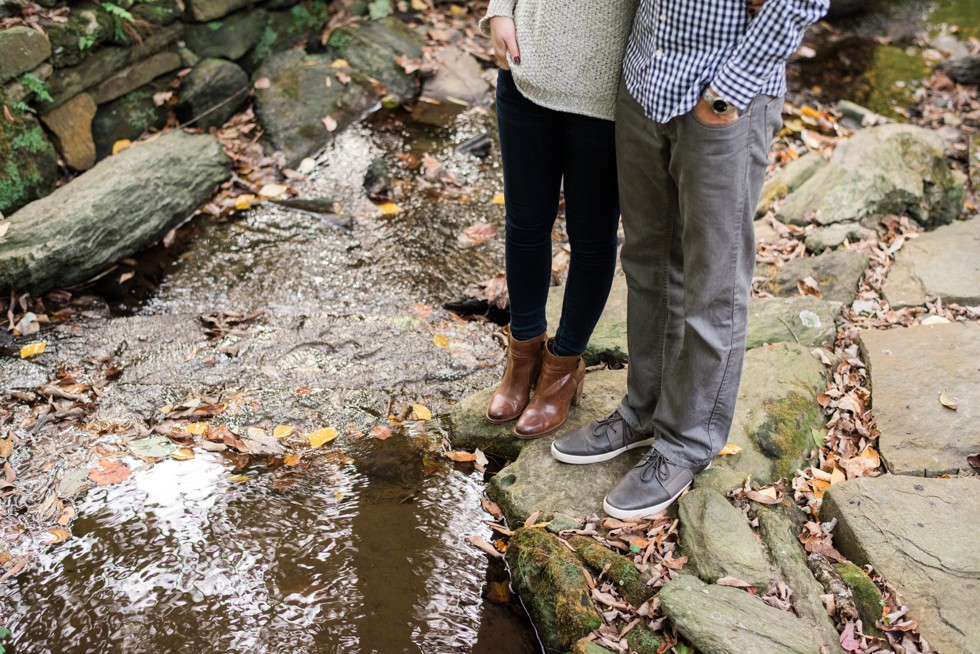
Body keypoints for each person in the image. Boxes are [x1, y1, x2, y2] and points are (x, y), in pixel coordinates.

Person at [551, 0, 829, 520]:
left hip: (722, 101)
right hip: (645, 80)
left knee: (713, 283)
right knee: (647, 260)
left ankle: (686, 443)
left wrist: (728, 92)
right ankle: (644, 410)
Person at [480, 0, 765, 441]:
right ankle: (522, 359)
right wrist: (500, 9)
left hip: (607, 87)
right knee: (525, 225)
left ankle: (562, 369)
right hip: (526, 63)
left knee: (592, 238)